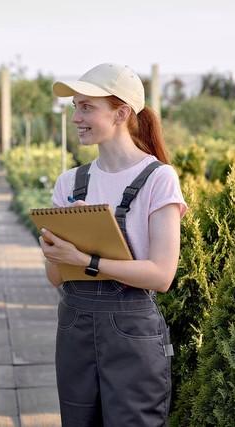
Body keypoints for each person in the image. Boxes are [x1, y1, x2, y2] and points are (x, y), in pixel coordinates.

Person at [39, 63, 187, 426]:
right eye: (75, 106)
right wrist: (60, 248)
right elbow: (56, 277)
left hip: (131, 331)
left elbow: (161, 275)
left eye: (86, 107)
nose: (76, 117)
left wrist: (87, 258)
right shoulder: (70, 183)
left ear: (121, 113)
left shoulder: (158, 179)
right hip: (74, 325)